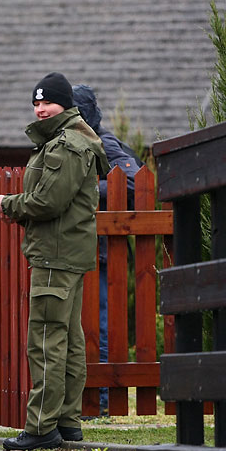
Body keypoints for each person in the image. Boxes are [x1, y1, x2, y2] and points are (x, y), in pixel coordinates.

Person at [0, 73, 109, 451]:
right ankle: (68, 422)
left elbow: (48, 201)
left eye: (48, 103)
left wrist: (8, 204)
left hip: (56, 256)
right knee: (68, 341)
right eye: (36, 103)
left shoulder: (67, 145)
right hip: (65, 253)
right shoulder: (68, 139)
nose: (40, 109)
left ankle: (40, 427)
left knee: (45, 341)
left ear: (65, 105)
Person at [72, 84, 142, 415]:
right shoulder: (74, 142)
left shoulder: (104, 142)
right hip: (81, 248)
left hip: (102, 253)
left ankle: (100, 401)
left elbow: (134, 180)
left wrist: (82, 188)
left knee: (98, 324)